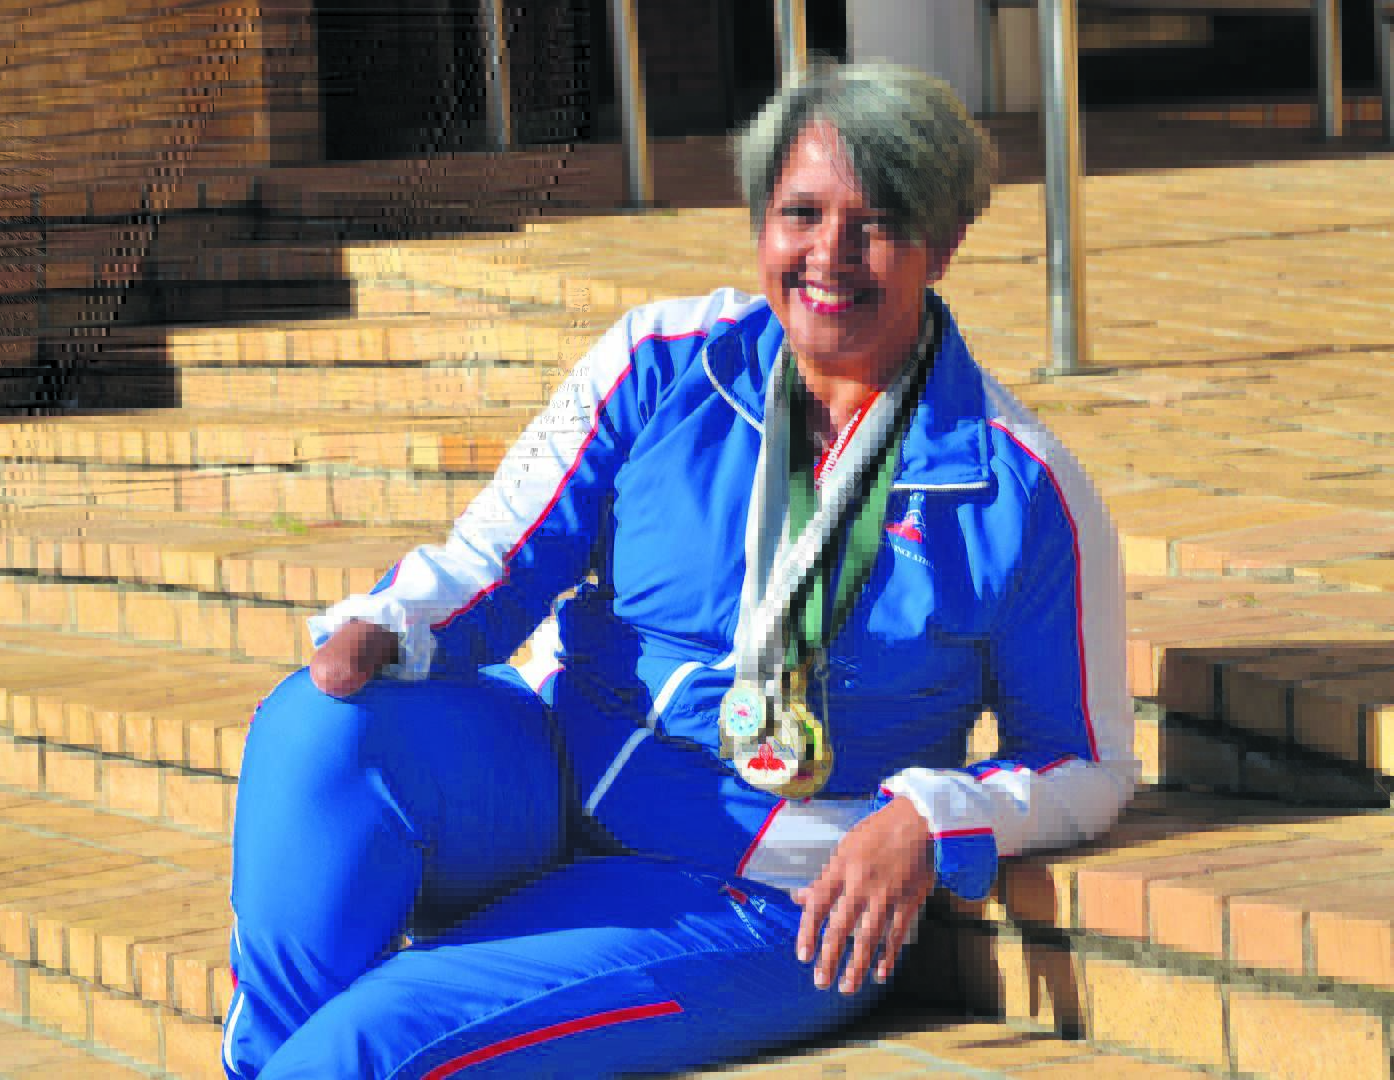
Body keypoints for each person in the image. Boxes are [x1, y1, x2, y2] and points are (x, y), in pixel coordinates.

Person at [224, 61, 1138, 1079]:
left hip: (752, 884)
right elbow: (497, 561)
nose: (829, 256)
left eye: (876, 225)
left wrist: (934, 814)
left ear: (945, 242)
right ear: (760, 221)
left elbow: (1087, 761)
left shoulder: (1021, 489)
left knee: (374, 1045)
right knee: (317, 727)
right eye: (801, 214)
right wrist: (395, 624)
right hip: (551, 781)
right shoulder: (663, 360)